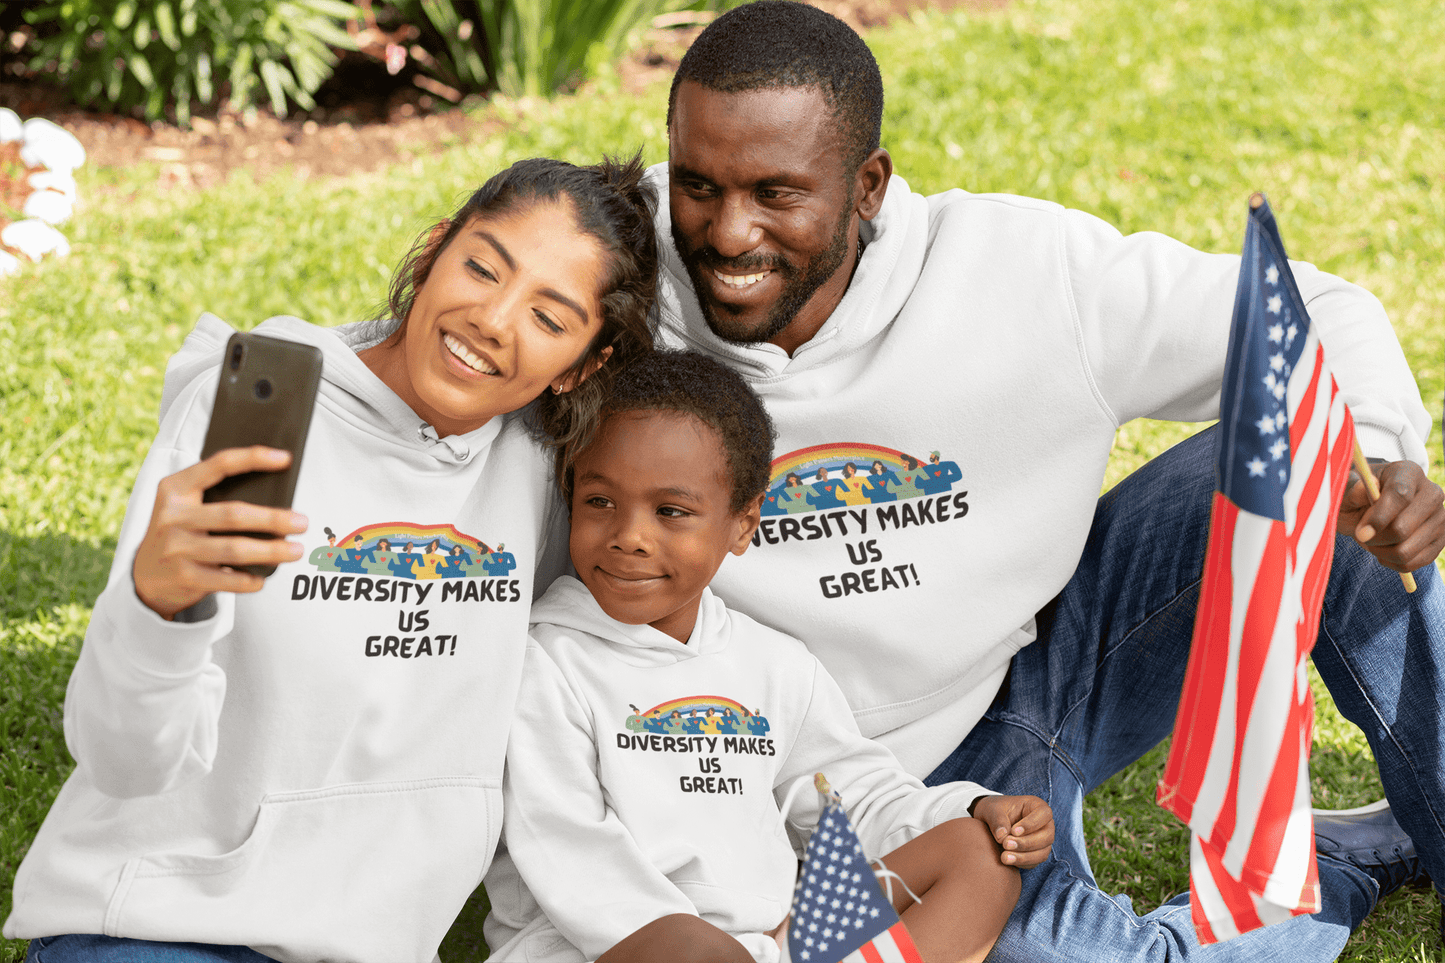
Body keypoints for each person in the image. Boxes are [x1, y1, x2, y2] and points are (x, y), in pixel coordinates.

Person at [645, 2, 1445, 959]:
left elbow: (1314, 310)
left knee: (1330, 475)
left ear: (867, 187)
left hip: (1049, 663)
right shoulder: (609, 289)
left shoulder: (1019, 271)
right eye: (698, 185)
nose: (728, 233)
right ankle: (1334, 867)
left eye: (775, 194)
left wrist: (1386, 450)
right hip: (850, 801)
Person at [3, 155, 658, 962]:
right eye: (482, 267)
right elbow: (121, 758)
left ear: (584, 366)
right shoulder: (252, 414)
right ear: (433, 252)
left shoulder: (544, 473)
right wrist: (155, 608)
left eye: (549, 319)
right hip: (158, 926)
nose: (493, 317)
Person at [483, 350, 1052, 963]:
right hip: (597, 948)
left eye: (670, 511)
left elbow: (853, 799)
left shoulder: (775, 665)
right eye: (600, 502)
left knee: (974, 856)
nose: (630, 535)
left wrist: (972, 807)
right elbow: (567, 849)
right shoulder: (545, 659)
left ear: (741, 524)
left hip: (772, 948)